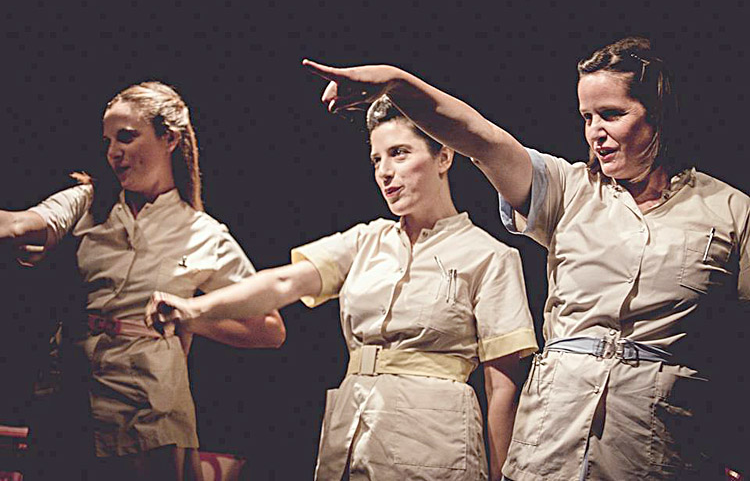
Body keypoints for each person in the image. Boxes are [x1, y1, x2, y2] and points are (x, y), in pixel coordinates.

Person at [299, 36, 750, 480]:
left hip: (657, 444)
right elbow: (480, 139)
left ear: (660, 113)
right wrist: (396, 84)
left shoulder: (730, 211)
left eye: (612, 114)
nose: (595, 131)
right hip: (553, 440)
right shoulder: (569, 189)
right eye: (587, 117)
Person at [146, 95, 538, 480]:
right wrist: (193, 309)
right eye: (376, 159)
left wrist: (502, 474)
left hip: (435, 442)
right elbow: (283, 282)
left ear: (444, 157)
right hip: (352, 431)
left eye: (399, 153)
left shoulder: (488, 256)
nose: (385, 172)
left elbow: (501, 386)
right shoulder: (365, 241)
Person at [0, 81, 286, 481]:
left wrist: (188, 318)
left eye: (127, 137)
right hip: (69, 394)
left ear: (169, 139)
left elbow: (269, 328)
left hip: (148, 407)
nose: (113, 152)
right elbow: (19, 225)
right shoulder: (88, 202)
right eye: (108, 141)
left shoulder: (203, 234)